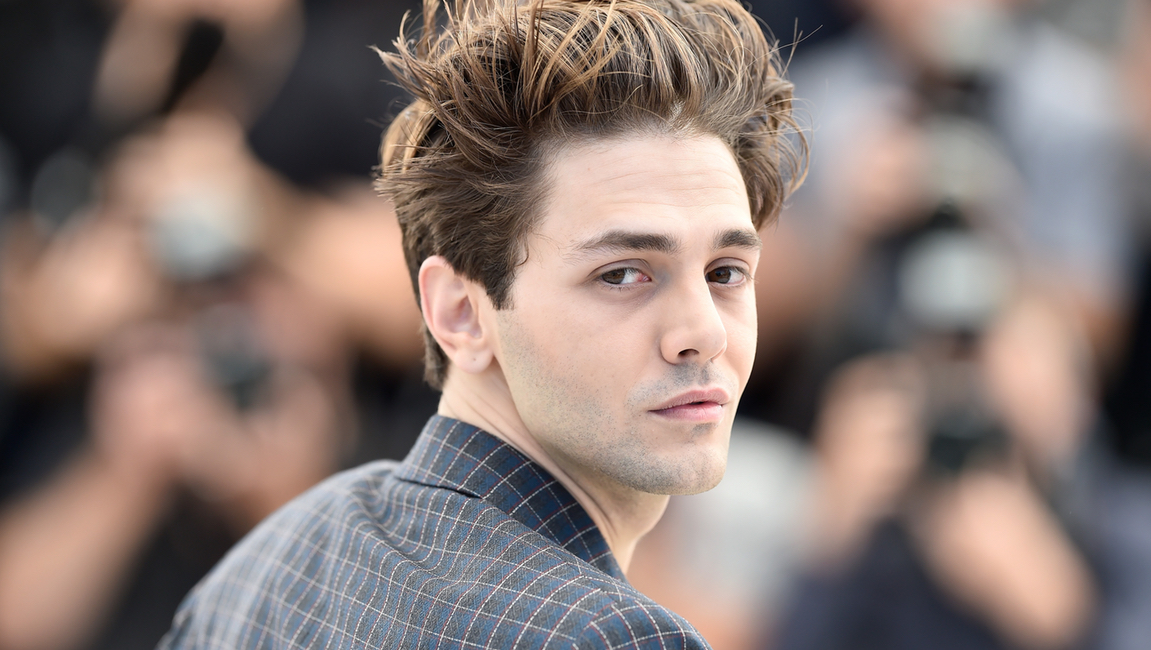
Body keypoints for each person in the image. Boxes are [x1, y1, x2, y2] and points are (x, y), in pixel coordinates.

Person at [158, 0, 804, 647]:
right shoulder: (613, 637)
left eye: (726, 272)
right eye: (622, 274)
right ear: (460, 314)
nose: (704, 332)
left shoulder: (257, 573)